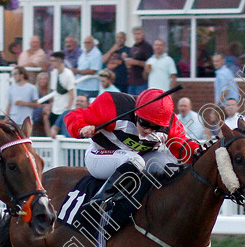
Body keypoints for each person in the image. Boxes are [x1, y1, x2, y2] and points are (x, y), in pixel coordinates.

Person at [65, 88, 200, 208]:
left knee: (167, 165)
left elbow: (183, 144)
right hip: (100, 155)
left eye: (156, 127)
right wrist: (81, 129)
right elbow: (73, 116)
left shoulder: (170, 123)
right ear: (136, 113)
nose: (149, 130)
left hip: (136, 159)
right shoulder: (113, 106)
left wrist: (198, 151)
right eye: (144, 123)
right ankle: (100, 200)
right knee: (135, 160)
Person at [5, 66, 39, 135]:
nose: (14, 76)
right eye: (13, 74)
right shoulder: (11, 88)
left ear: (22, 75)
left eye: (15, 74)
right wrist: (6, 118)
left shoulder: (32, 88)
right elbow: (9, 104)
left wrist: (24, 103)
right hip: (13, 120)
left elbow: (36, 105)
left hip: (26, 121)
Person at [49, 51, 76, 128]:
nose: (51, 63)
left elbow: (72, 95)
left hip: (64, 111)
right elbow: (54, 92)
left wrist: (68, 111)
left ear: (59, 61)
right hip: (55, 109)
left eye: (53, 61)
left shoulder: (68, 74)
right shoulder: (54, 73)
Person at [33, 71, 52, 136]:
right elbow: (33, 103)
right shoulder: (35, 90)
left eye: (44, 79)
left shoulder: (50, 90)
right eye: (41, 79)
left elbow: (52, 102)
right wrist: (43, 106)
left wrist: (48, 106)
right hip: (36, 108)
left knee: (46, 115)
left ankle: (49, 136)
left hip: (47, 109)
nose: (42, 81)